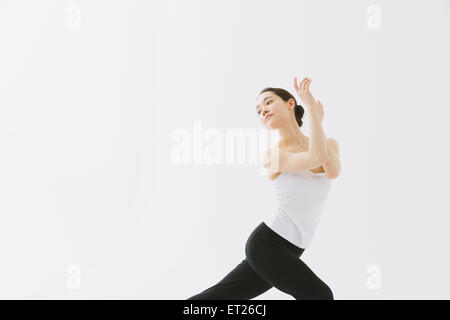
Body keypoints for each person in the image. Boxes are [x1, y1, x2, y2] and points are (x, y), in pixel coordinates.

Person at [187, 77, 341, 300]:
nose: (263, 111)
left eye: (268, 102)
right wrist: (312, 110)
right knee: (319, 296)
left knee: (217, 300)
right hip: (268, 245)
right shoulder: (272, 156)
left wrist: (316, 119)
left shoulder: (329, 144)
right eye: (258, 110)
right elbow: (314, 157)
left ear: (290, 104)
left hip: (292, 249)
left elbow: (332, 169)